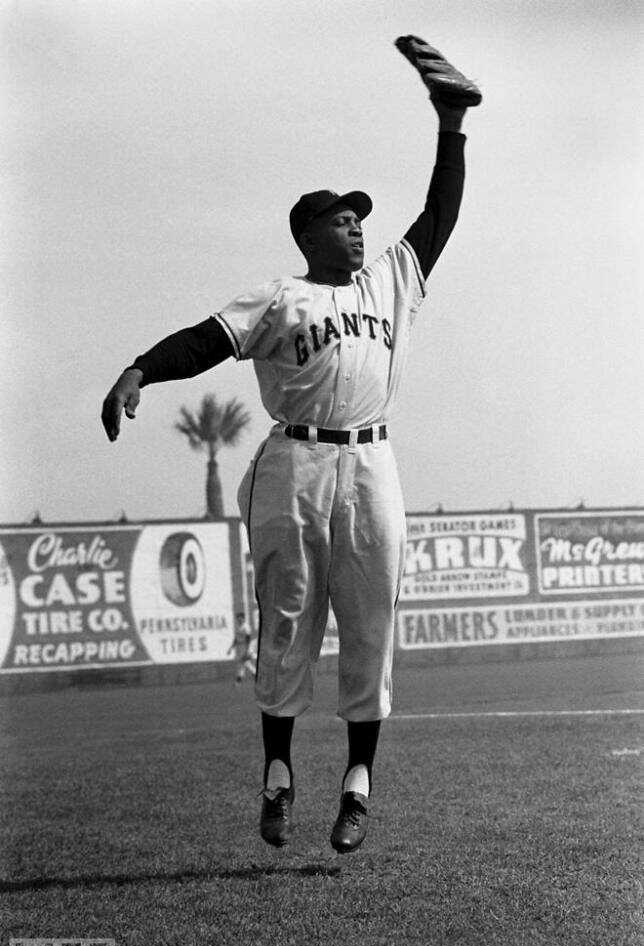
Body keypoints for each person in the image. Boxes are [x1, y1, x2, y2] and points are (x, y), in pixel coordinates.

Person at [101, 37, 480, 854]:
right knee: (287, 621)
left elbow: (439, 215)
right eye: (342, 220)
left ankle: (357, 787)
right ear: (309, 232)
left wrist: (450, 124)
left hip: (372, 463)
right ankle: (277, 777)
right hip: (294, 464)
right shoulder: (280, 296)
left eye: (357, 222)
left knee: (372, 622)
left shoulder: (389, 283)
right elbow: (207, 339)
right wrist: (140, 368)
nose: (356, 231)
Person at [227, 611, 256, 684]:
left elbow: (248, 639)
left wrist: (247, 650)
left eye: (240, 618)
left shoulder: (246, 627)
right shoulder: (238, 627)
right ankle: (253, 675)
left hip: (245, 646)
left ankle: (239, 680)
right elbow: (236, 639)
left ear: (243, 619)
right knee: (244, 663)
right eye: (238, 618)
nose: (239, 620)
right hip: (239, 647)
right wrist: (231, 648)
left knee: (242, 663)